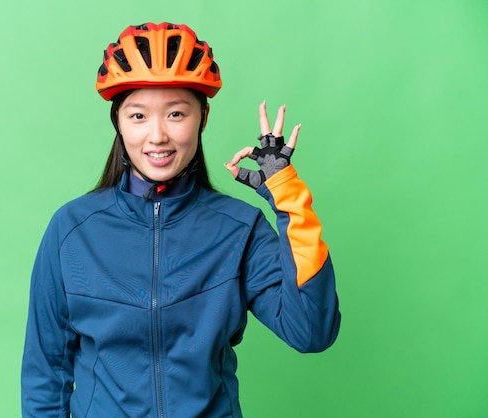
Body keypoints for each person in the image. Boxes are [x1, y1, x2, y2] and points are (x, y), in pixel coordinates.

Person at [21, 22, 341, 418]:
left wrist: (287, 197)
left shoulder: (240, 229)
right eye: (138, 116)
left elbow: (311, 330)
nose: (157, 136)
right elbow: (45, 370)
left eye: (176, 113)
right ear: (118, 123)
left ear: (202, 117)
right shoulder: (71, 229)